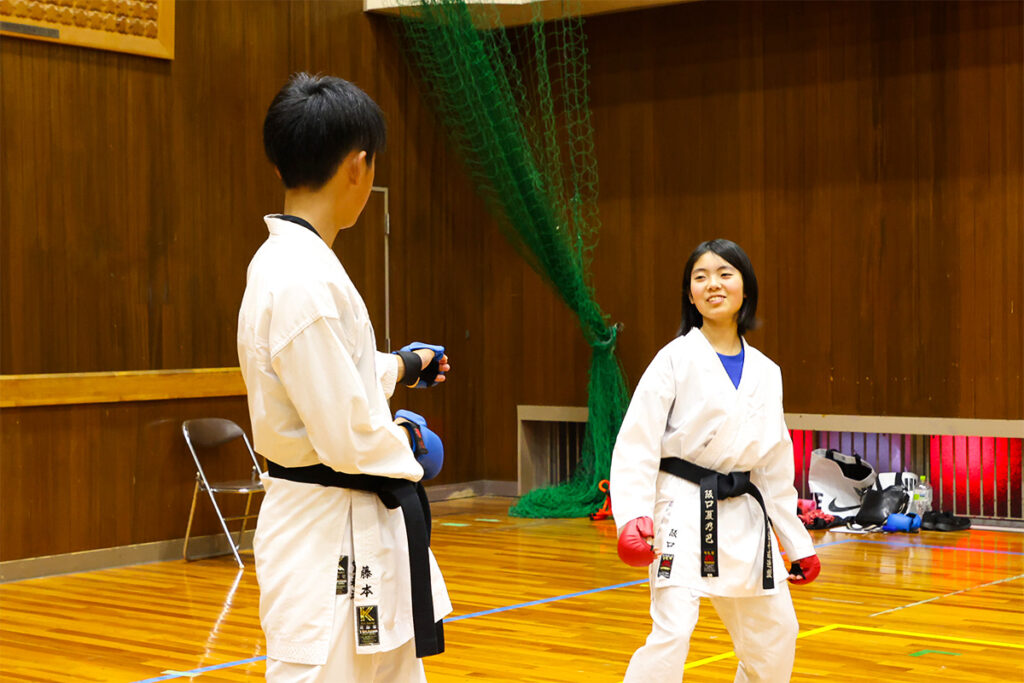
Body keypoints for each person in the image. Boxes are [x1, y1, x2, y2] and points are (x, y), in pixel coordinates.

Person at [237, 72, 452, 682]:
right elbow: (346, 433)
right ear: (359, 165)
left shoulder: (299, 265)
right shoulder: (302, 279)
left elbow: (332, 378)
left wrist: (403, 366)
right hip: (324, 532)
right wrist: (408, 445)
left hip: (356, 523)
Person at [609, 238, 820, 682]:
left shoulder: (767, 371)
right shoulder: (674, 358)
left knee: (778, 632)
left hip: (745, 514)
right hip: (682, 509)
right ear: (690, 295)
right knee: (673, 630)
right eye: (700, 277)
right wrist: (631, 517)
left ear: (746, 287)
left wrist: (797, 542)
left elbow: (775, 465)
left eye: (725, 274)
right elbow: (637, 441)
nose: (713, 284)